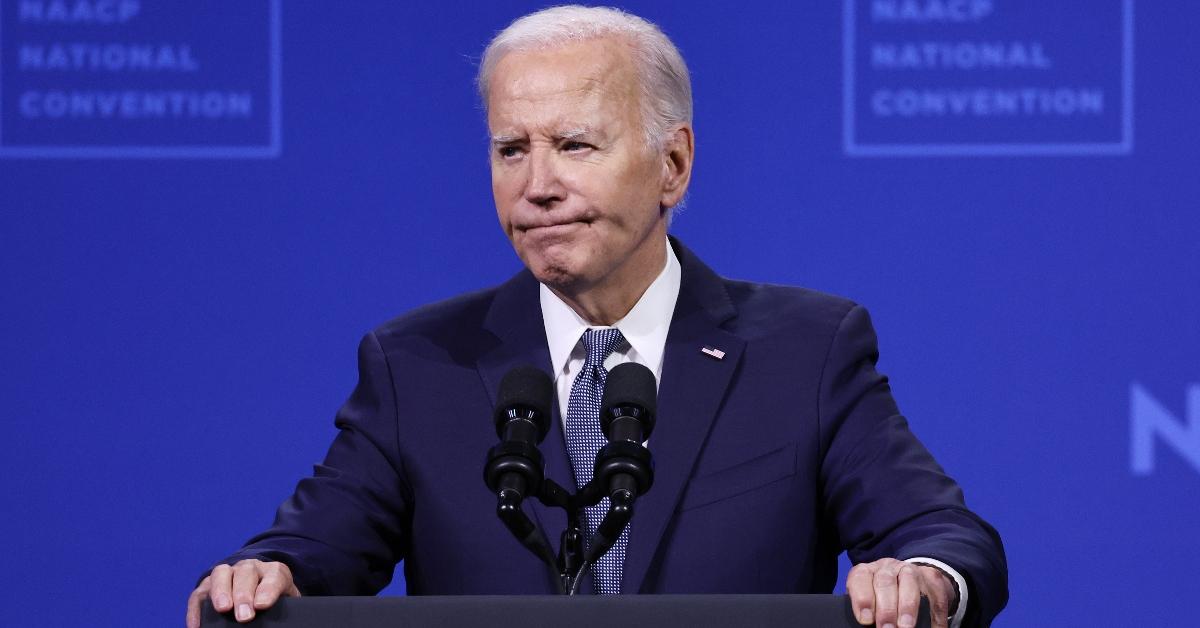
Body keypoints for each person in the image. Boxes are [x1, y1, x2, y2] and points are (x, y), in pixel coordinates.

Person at [187, 6, 1007, 628]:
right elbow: (312, 549)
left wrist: (924, 575)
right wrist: (265, 573)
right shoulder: (418, 363)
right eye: (512, 150)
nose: (536, 184)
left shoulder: (805, 351)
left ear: (673, 165)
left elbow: (944, 535)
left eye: (574, 145)